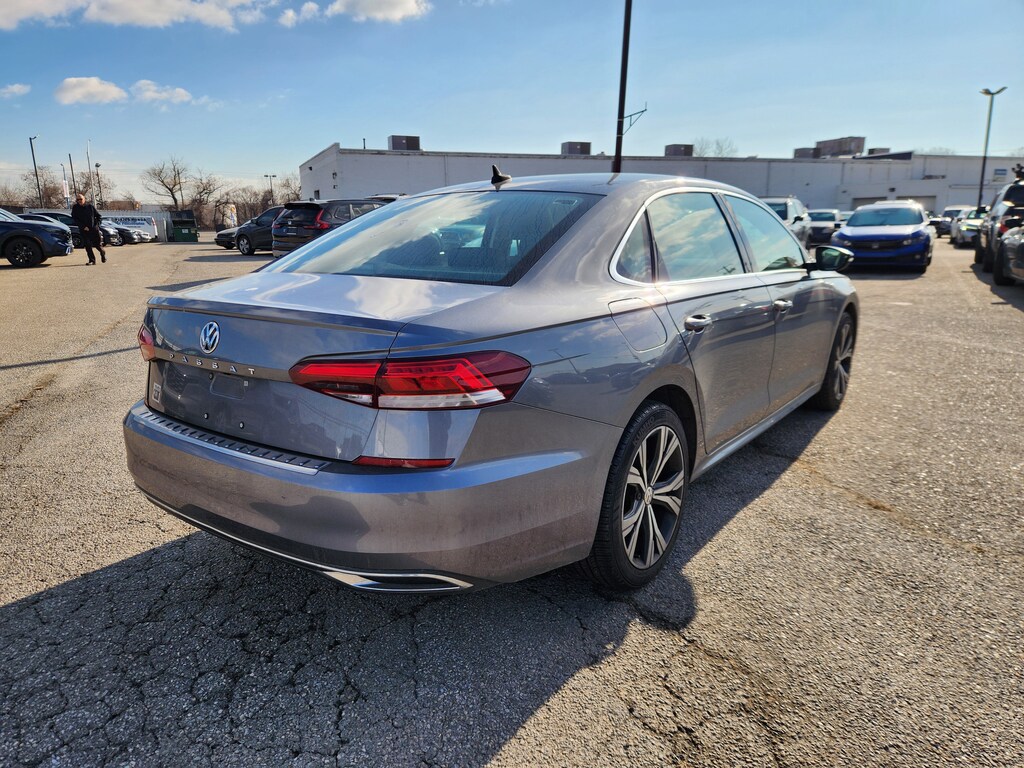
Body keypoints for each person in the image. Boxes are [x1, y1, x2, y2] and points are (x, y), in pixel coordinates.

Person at [70, 193, 106, 265]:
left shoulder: (90, 207)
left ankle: (102, 253)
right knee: (87, 245)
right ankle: (92, 260)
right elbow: (75, 219)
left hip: (94, 230)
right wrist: (83, 226)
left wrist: (96, 225)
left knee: (97, 245)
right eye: (78, 199)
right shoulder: (75, 208)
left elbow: (99, 217)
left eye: (81, 199)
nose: (79, 201)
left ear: (84, 199)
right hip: (84, 230)